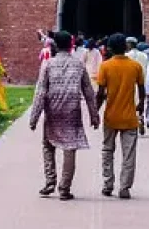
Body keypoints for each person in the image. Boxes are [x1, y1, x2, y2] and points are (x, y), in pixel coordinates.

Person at [28, 29, 99, 200]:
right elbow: (88, 92)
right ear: (70, 45)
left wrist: (34, 118)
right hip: (72, 111)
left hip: (53, 111)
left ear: (56, 45)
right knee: (69, 148)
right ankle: (64, 188)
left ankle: (50, 182)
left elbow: (40, 92)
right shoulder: (78, 64)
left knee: (48, 146)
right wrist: (94, 115)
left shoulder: (48, 64)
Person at [96, 33, 146, 199]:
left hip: (111, 116)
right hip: (129, 117)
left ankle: (107, 184)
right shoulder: (135, 66)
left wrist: (95, 112)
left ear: (109, 48)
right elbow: (142, 90)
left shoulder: (105, 66)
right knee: (129, 154)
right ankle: (124, 187)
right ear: (126, 47)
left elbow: (100, 93)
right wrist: (141, 106)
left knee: (107, 150)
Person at [127, 37, 149, 133]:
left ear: (129, 44)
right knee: (141, 101)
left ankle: (133, 120)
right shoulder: (144, 55)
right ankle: (140, 117)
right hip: (142, 81)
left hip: (130, 82)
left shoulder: (127, 55)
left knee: (130, 102)